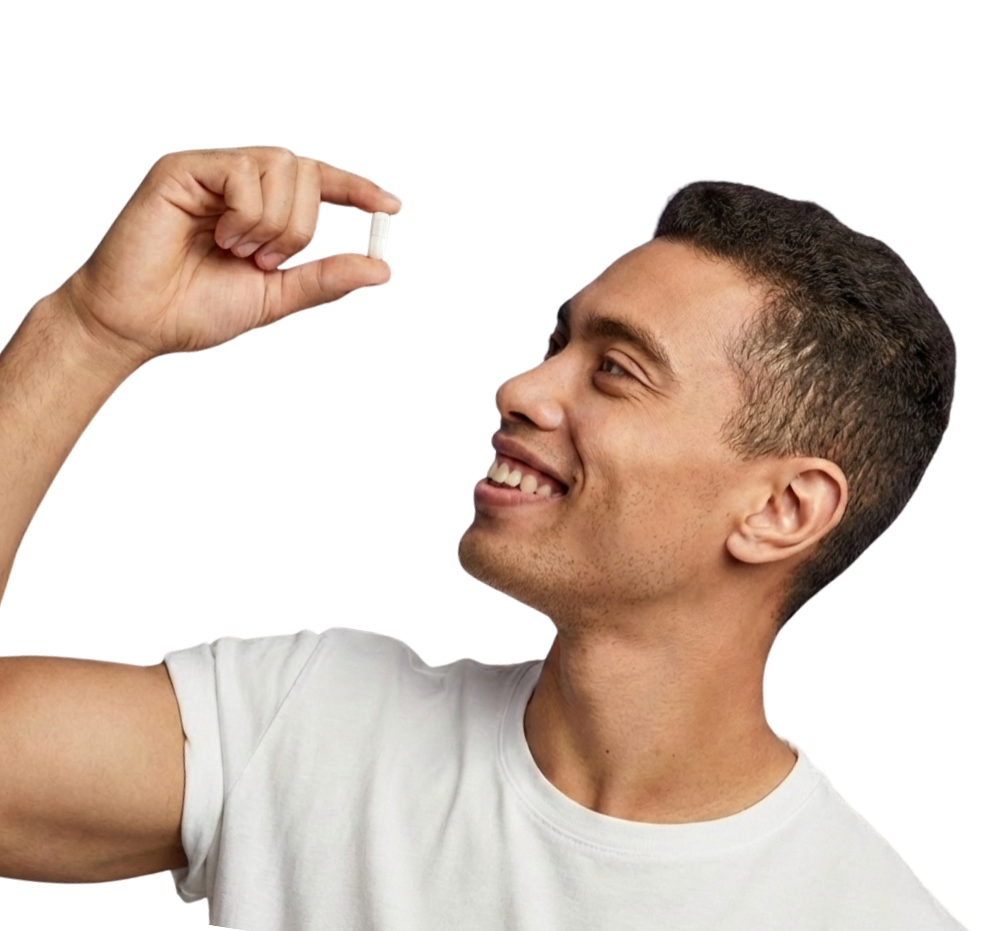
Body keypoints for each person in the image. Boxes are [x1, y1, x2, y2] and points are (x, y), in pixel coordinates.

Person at [0, 146, 965, 930]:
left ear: (779, 510)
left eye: (618, 370)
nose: (519, 389)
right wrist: (89, 328)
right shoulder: (309, 726)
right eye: (557, 345)